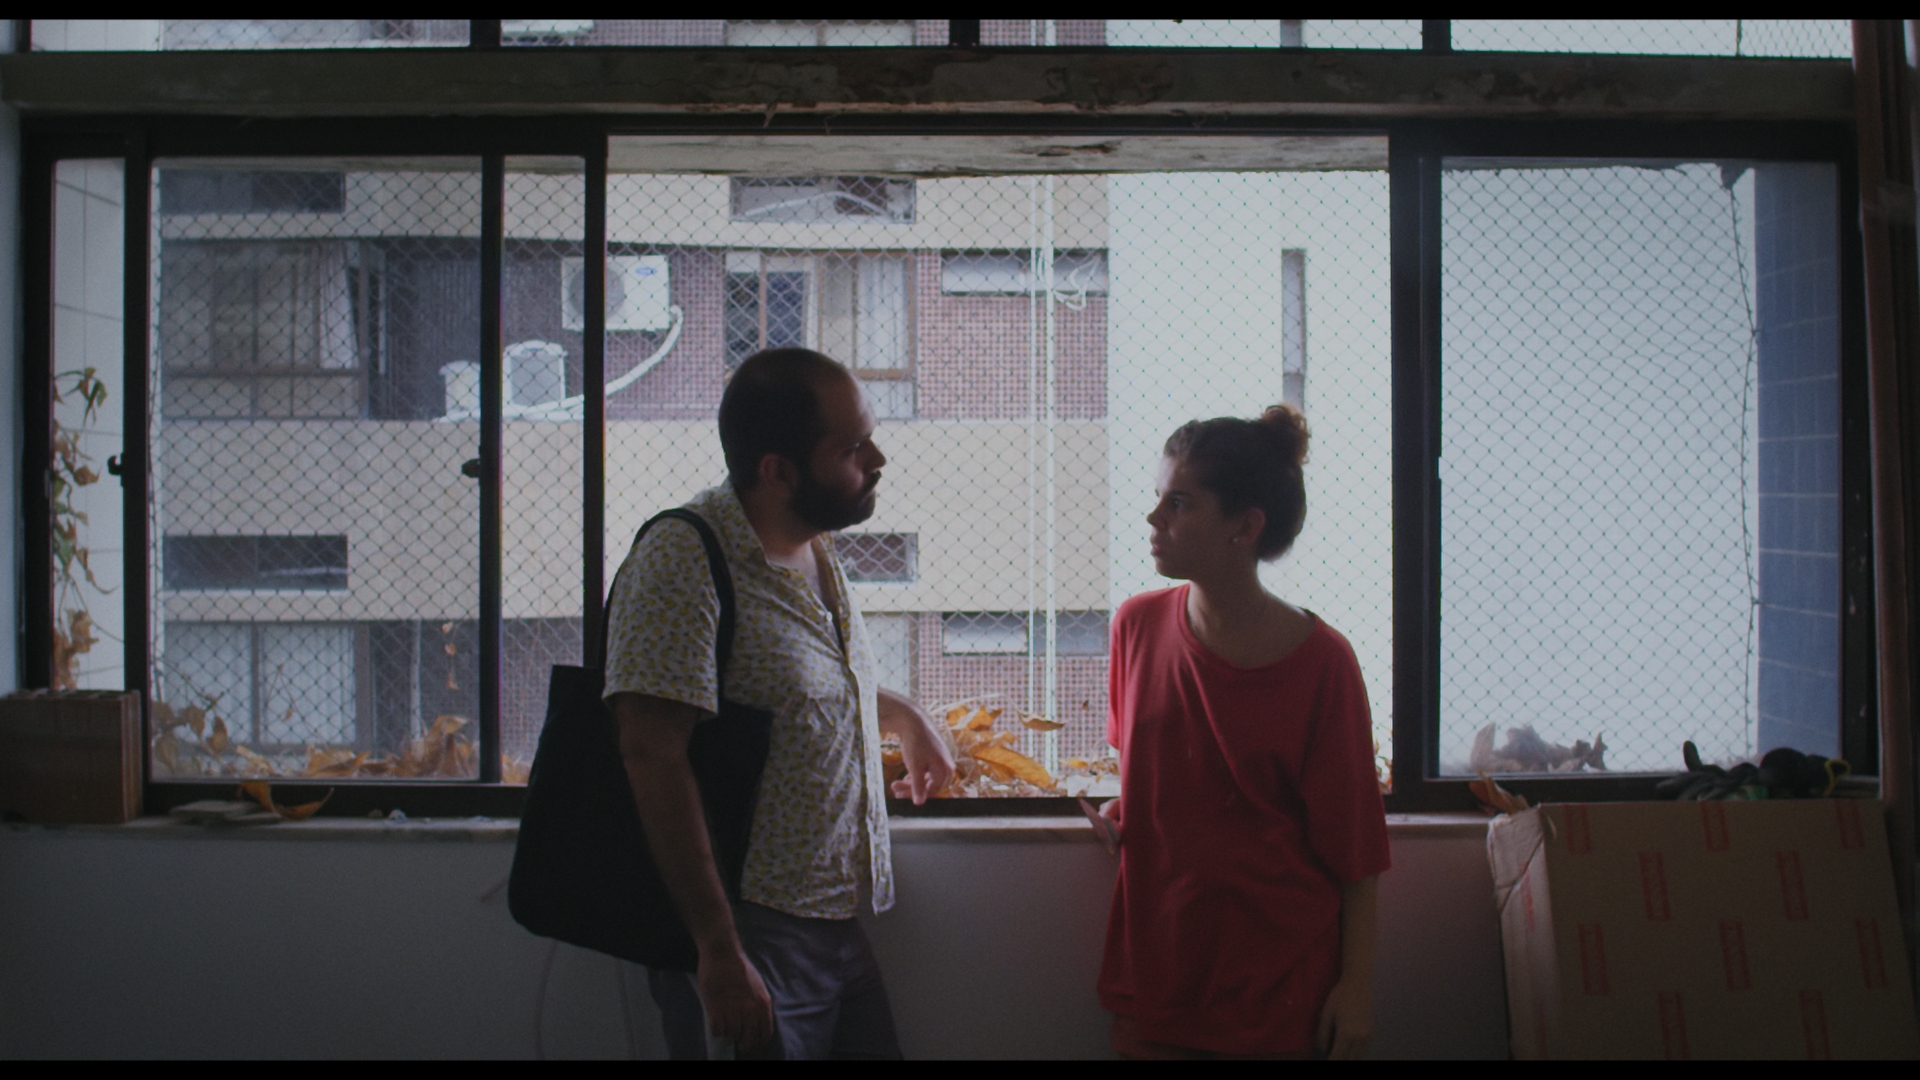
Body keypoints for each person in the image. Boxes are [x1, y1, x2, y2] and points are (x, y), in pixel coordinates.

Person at [602, 347, 955, 1060]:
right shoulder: (682, 558)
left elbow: (794, 686)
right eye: (852, 449)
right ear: (779, 471)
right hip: (748, 930)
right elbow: (650, 753)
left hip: (831, 916)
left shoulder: (811, 546)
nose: (877, 459)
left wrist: (903, 716)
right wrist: (718, 950)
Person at [1097, 403, 1390, 1060]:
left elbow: (1357, 850)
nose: (1153, 519)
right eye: (1158, 498)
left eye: (1178, 503)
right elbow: (1158, 765)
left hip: (1279, 993)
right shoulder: (1135, 627)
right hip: (1156, 979)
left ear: (1246, 526)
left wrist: (1356, 988)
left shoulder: (1323, 663)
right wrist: (1134, 807)